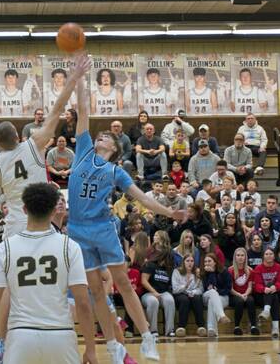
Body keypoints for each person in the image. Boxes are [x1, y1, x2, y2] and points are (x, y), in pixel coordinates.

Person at [0, 53, 91, 364]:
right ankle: (46, 329)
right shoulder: (33, 143)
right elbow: (56, 110)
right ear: (18, 136)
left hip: (16, 226)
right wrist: (73, 77)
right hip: (40, 221)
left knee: (7, 291)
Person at [67, 62, 187, 364]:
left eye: (106, 137)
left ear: (115, 147)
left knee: (121, 281)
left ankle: (147, 336)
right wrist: (80, 79)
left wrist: (170, 214)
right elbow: (83, 111)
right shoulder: (82, 150)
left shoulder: (116, 171)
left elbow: (143, 200)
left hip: (102, 228)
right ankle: (113, 347)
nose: (100, 137)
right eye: (100, 135)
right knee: (96, 293)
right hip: (77, 230)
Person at [0, 183, 98, 364]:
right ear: (54, 210)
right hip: (61, 336)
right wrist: (91, 350)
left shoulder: (4, 249)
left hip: (20, 337)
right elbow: (83, 303)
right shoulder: (70, 246)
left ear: (24, 209)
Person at [140, 243, 176, 337]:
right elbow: (144, 281)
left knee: (170, 300)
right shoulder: (150, 265)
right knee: (153, 301)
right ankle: (153, 330)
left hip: (163, 293)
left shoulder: (168, 268)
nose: (168, 261)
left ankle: (169, 330)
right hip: (148, 294)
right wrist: (154, 292)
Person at [172, 253, 205, 337]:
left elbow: (201, 289)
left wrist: (192, 293)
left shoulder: (196, 272)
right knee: (184, 300)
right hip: (180, 294)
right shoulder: (177, 271)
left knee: (197, 299)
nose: (190, 263)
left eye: (192, 261)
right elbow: (175, 289)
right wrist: (185, 287)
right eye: (187, 261)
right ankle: (181, 327)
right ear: (183, 262)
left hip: (192, 294)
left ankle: (201, 327)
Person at [253, 247, 280, 338]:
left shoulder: (279, 267)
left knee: (274, 296)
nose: (269, 256)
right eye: (266, 254)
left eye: (271, 254)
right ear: (263, 256)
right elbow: (257, 284)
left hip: (275, 293)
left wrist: (276, 287)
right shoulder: (258, 268)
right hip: (261, 296)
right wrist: (264, 289)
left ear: (274, 256)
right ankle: (275, 328)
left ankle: (266, 311)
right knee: (272, 295)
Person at [228, 247, 259, 336]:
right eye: (238, 255)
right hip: (234, 295)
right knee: (239, 301)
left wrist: (245, 294)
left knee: (251, 300)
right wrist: (239, 295)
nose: (240, 257)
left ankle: (253, 326)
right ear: (235, 257)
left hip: (246, 293)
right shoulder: (230, 270)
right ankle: (237, 326)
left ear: (245, 257)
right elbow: (230, 289)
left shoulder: (250, 271)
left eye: (242, 255)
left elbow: (250, 287)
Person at [200, 252, 231, 337]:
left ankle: (211, 330)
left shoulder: (224, 271)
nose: (207, 263)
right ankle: (221, 316)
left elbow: (228, 289)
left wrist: (219, 291)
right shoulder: (203, 273)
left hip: (222, 297)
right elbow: (207, 288)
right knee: (212, 293)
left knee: (212, 301)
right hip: (206, 296)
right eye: (205, 261)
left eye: (209, 261)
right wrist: (211, 273)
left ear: (215, 262)